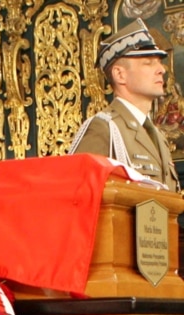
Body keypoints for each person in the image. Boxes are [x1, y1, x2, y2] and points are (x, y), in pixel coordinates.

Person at [68, 18, 179, 192]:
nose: (161, 70)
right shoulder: (104, 129)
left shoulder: (158, 136)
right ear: (120, 75)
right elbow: (78, 194)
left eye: (159, 61)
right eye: (148, 62)